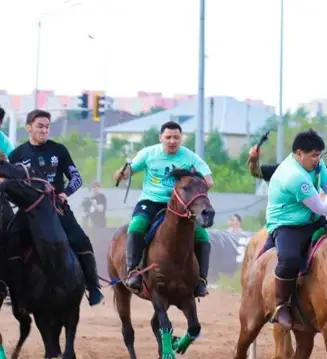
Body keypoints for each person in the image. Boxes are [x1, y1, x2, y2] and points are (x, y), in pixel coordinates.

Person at [7, 109, 104, 310]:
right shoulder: (16, 154)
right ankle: (16, 292)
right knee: (11, 242)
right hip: (28, 211)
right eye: (40, 126)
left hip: (57, 209)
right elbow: (8, 185)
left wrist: (64, 193)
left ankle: (93, 286)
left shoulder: (59, 150)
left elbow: (77, 178)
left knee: (81, 239)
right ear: (28, 128)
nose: (44, 130)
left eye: (47, 127)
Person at [113, 121, 214, 297]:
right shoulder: (148, 154)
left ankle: (201, 281)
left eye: (176, 137)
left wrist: (193, 188)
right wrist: (121, 174)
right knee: (136, 225)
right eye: (168, 137)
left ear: (181, 138)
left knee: (203, 236)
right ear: (161, 138)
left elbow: (209, 181)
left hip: (180, 206)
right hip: (151, 201)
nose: (172, 141)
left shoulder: (190, 157)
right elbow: (126, 173)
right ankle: (133, 272)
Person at [265, 130, 327, 328]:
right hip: (286, 224)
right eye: (313, 155)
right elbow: (318, 206)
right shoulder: (294, 175)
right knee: (289, 259)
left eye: (319, 154)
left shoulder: (317, 165)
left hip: (312, 219)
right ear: (299, 153)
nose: (317, 159)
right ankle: (281, 305)